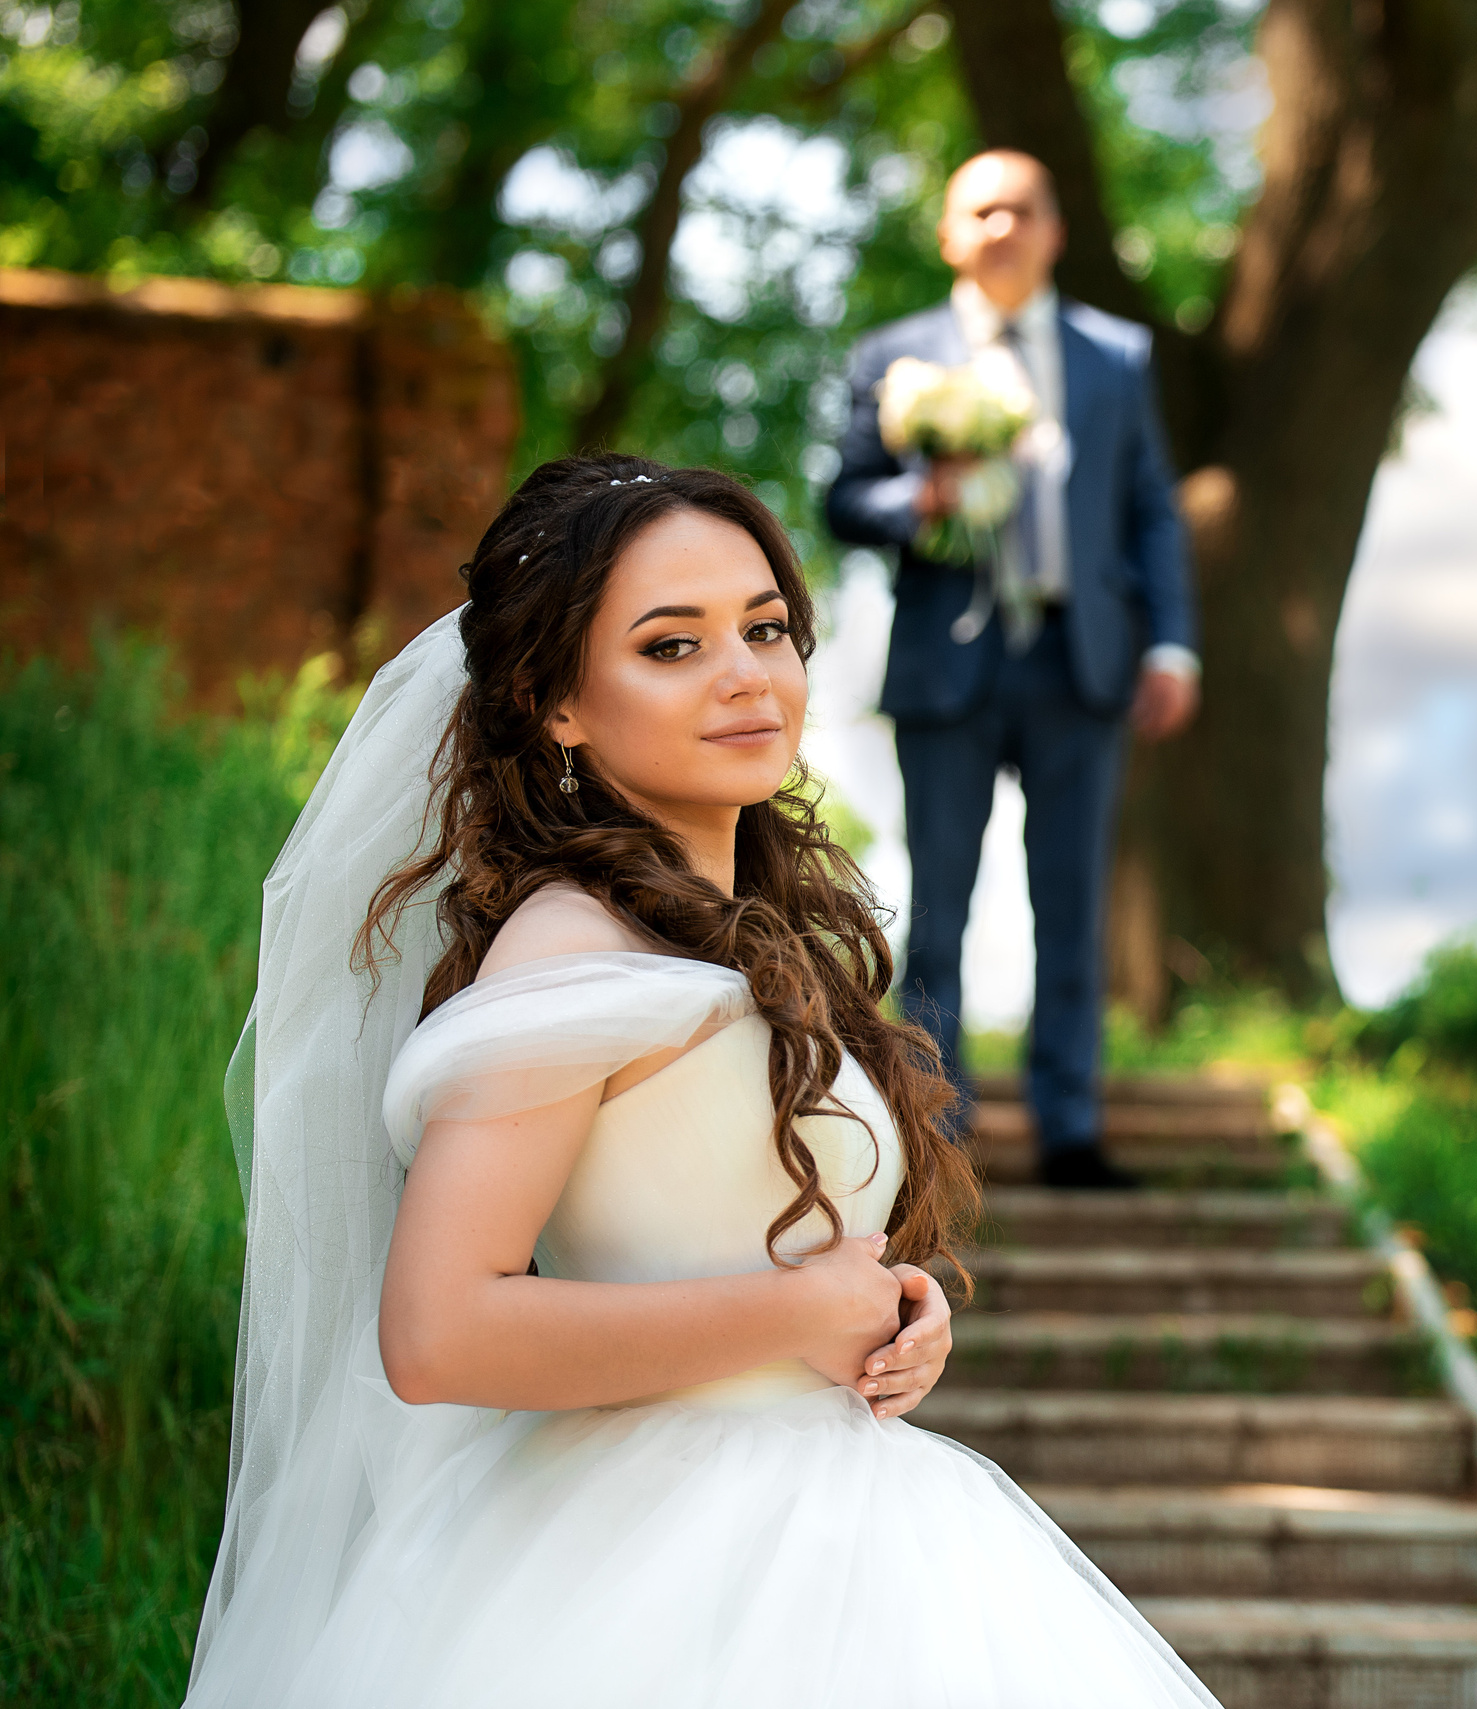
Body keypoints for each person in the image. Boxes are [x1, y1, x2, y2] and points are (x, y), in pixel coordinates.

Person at [184, 452, 1218, 1708]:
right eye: (671, 646)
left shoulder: (766, 938)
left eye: (767, 628)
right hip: (645, 1559)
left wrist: (891, 1313)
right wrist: (790, 1317)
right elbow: (438, 1326)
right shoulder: (571, 939)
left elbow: (749, 1239)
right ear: (555, 699)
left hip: (845, 1522)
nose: (744, 673)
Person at [827, 149, 1197, 1190]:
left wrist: (1170, 642)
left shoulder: (1115, 357)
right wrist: (920, 503)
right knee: (937, 900)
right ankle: (938, 1133)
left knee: (1071, 902)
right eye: (980, 209)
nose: (1002, 225)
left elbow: (1150, 508)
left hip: (1083, 666)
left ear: (1054, 230)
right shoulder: (893, 355)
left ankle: (1070, 1127)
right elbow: (845, 499)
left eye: (1022, 208)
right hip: (945, 669)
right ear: (949, 233)